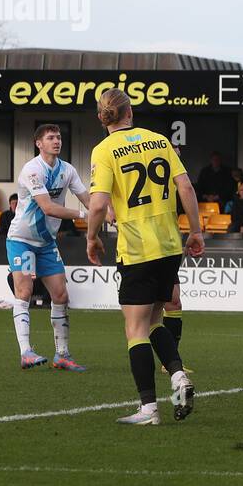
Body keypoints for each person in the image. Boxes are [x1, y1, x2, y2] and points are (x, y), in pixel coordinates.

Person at [87, 88, 202, 425]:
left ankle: (149, 409)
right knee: (153, 321)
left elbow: (97, 204)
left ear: (101, 118)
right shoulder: (159, 140)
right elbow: (186, 188)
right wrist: (195, 231)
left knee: (134, 328)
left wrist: (91, 238)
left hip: (137, 249)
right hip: (169, 245)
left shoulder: (104, 149)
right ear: (130, 112)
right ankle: (178, 377)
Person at [5, 123, 93, 371]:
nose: (57, 141)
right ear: (39, 143)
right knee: (24, 291)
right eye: (51, 137)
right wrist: (86, 216)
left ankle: (62, 355)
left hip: (45, 243)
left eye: (59, 137)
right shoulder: (32, 170)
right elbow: (48, 207)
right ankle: (26, 352)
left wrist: (105, 211)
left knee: (61, 295)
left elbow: (87, 198)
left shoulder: (68, 170)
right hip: (21, 240)